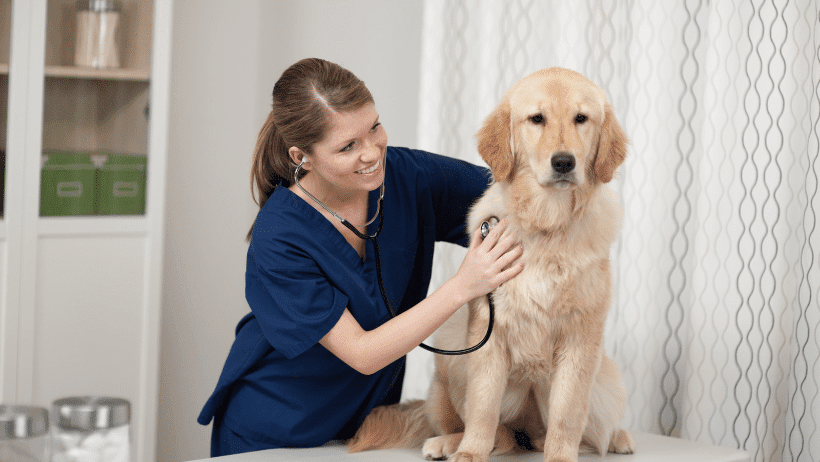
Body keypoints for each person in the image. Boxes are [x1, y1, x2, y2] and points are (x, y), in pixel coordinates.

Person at [197, 57, 525, 456]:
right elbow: (363, 353)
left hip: (368, 430)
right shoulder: (279, 238)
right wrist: (464, 286)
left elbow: (514, 195)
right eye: (348, 146)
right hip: (276, 429)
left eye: (374, 127)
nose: (372, 153)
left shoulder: (409, 177)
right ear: (303, 157)